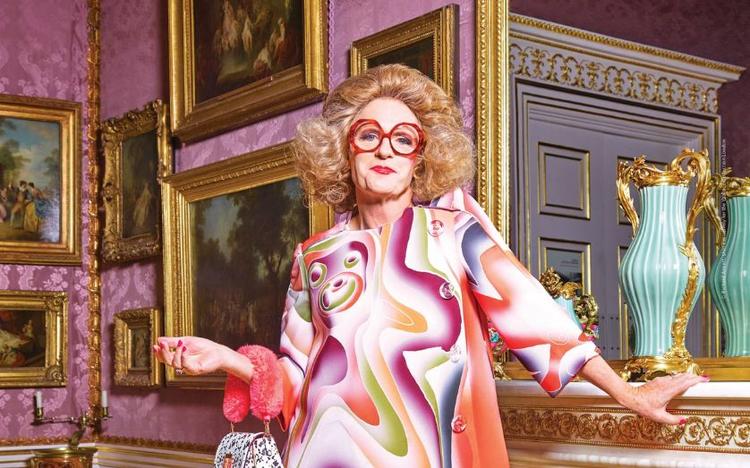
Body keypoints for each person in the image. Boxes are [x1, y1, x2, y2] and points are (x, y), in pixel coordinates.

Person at [155, 64, 707, 467]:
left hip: (434, 452)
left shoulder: (453, 232)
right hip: (327, 455)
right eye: (368, 136)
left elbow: (539, 322)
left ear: (421, 158)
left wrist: (629, 394)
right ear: (344, 151)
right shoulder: (313, 256)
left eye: (404, 139)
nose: (385, 150)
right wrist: (227, 359)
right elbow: (296, 381)